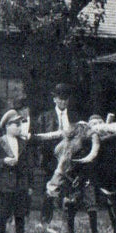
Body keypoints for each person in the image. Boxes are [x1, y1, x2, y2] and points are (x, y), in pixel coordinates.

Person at [0, 111, 34, 233]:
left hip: (20, 184)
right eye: (15, 125)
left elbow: (29, 166)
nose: (19, 128)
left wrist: (30, 185)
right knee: (2, 213)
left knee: (20, 213)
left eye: (20, 125)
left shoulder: (24, 143)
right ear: (7, 126)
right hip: (4, 184)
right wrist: (3, 161)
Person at [36, 83, 77, 225]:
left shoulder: (73, 116)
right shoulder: (45, 117)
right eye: (60, 98)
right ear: (54, 99)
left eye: (65, 99)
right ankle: (45, 221)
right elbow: (38, 137)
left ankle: (68, 226)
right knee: (49, 189)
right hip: (51, 158)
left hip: (70, 159)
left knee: (69, 191)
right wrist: (58, 134)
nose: (63, 102)